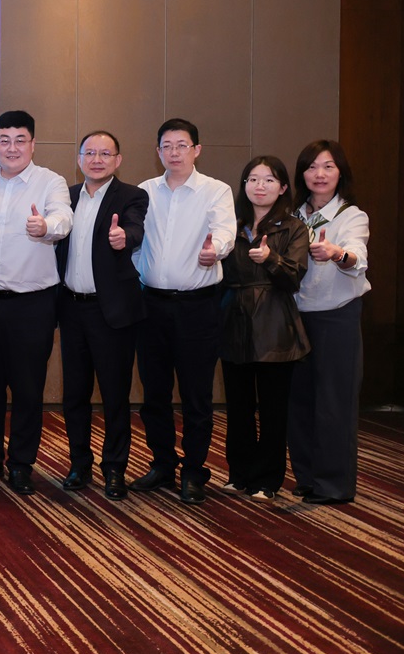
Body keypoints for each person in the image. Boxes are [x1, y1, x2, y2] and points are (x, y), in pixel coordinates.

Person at [0, 110, 73, 497]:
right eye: (4, 140)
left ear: (33, 144)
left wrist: (46, 227)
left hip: (33, 304)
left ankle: (22, 464)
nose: (12, 148)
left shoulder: (50, 182)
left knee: (28, 389)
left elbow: (64, 218)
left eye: (20, 140)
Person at [133, 118, 236, 505]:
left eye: (182, 145)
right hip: (151, 306)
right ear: (158, 151)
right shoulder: (145, 191)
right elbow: (134, 238)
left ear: (197, 150)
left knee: (196, 395)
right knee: (154, 393)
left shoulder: (215, 190)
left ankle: (194, 471)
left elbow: (224, 231)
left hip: (197, 307)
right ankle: (162, 464)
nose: (174, 152)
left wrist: (216, 250)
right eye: (167, 146)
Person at [54, 130, 147, 500]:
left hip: (112, 311)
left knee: (114, 395)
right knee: (74, 395)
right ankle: (79, 464)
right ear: (79, 159)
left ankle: (115, 469)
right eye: (89, 153)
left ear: (117, 160)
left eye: (105, 154)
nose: (96, 160)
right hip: (71, 308)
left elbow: (135, 227)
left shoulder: (131, 196)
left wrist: (124, 237)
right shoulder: (67, 197)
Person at [220, 156, 310, 500]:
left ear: (283, 187)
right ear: (244, 185)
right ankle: (239, 473)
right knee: (238, 405)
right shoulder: (231, 224)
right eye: (253, 179)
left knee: (273, 408)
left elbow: (294, 276)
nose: (260, 186)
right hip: (234, 319)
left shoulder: (293, 227)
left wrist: (270, 258)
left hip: (275, 323)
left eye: (269, 180)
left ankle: (268, 479)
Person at [288, 140, 370, 506]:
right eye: (311, 167)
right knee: (299, 401)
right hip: (295, 316)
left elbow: (357, 256)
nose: (319, 174)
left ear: (341, 173)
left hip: (337, 317)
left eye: (328, 167)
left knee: (334, 402)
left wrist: (337, 253)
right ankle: (307, 478)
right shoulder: (292, 216)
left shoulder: (352, 216)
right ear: (301, 174)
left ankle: (334, 484)